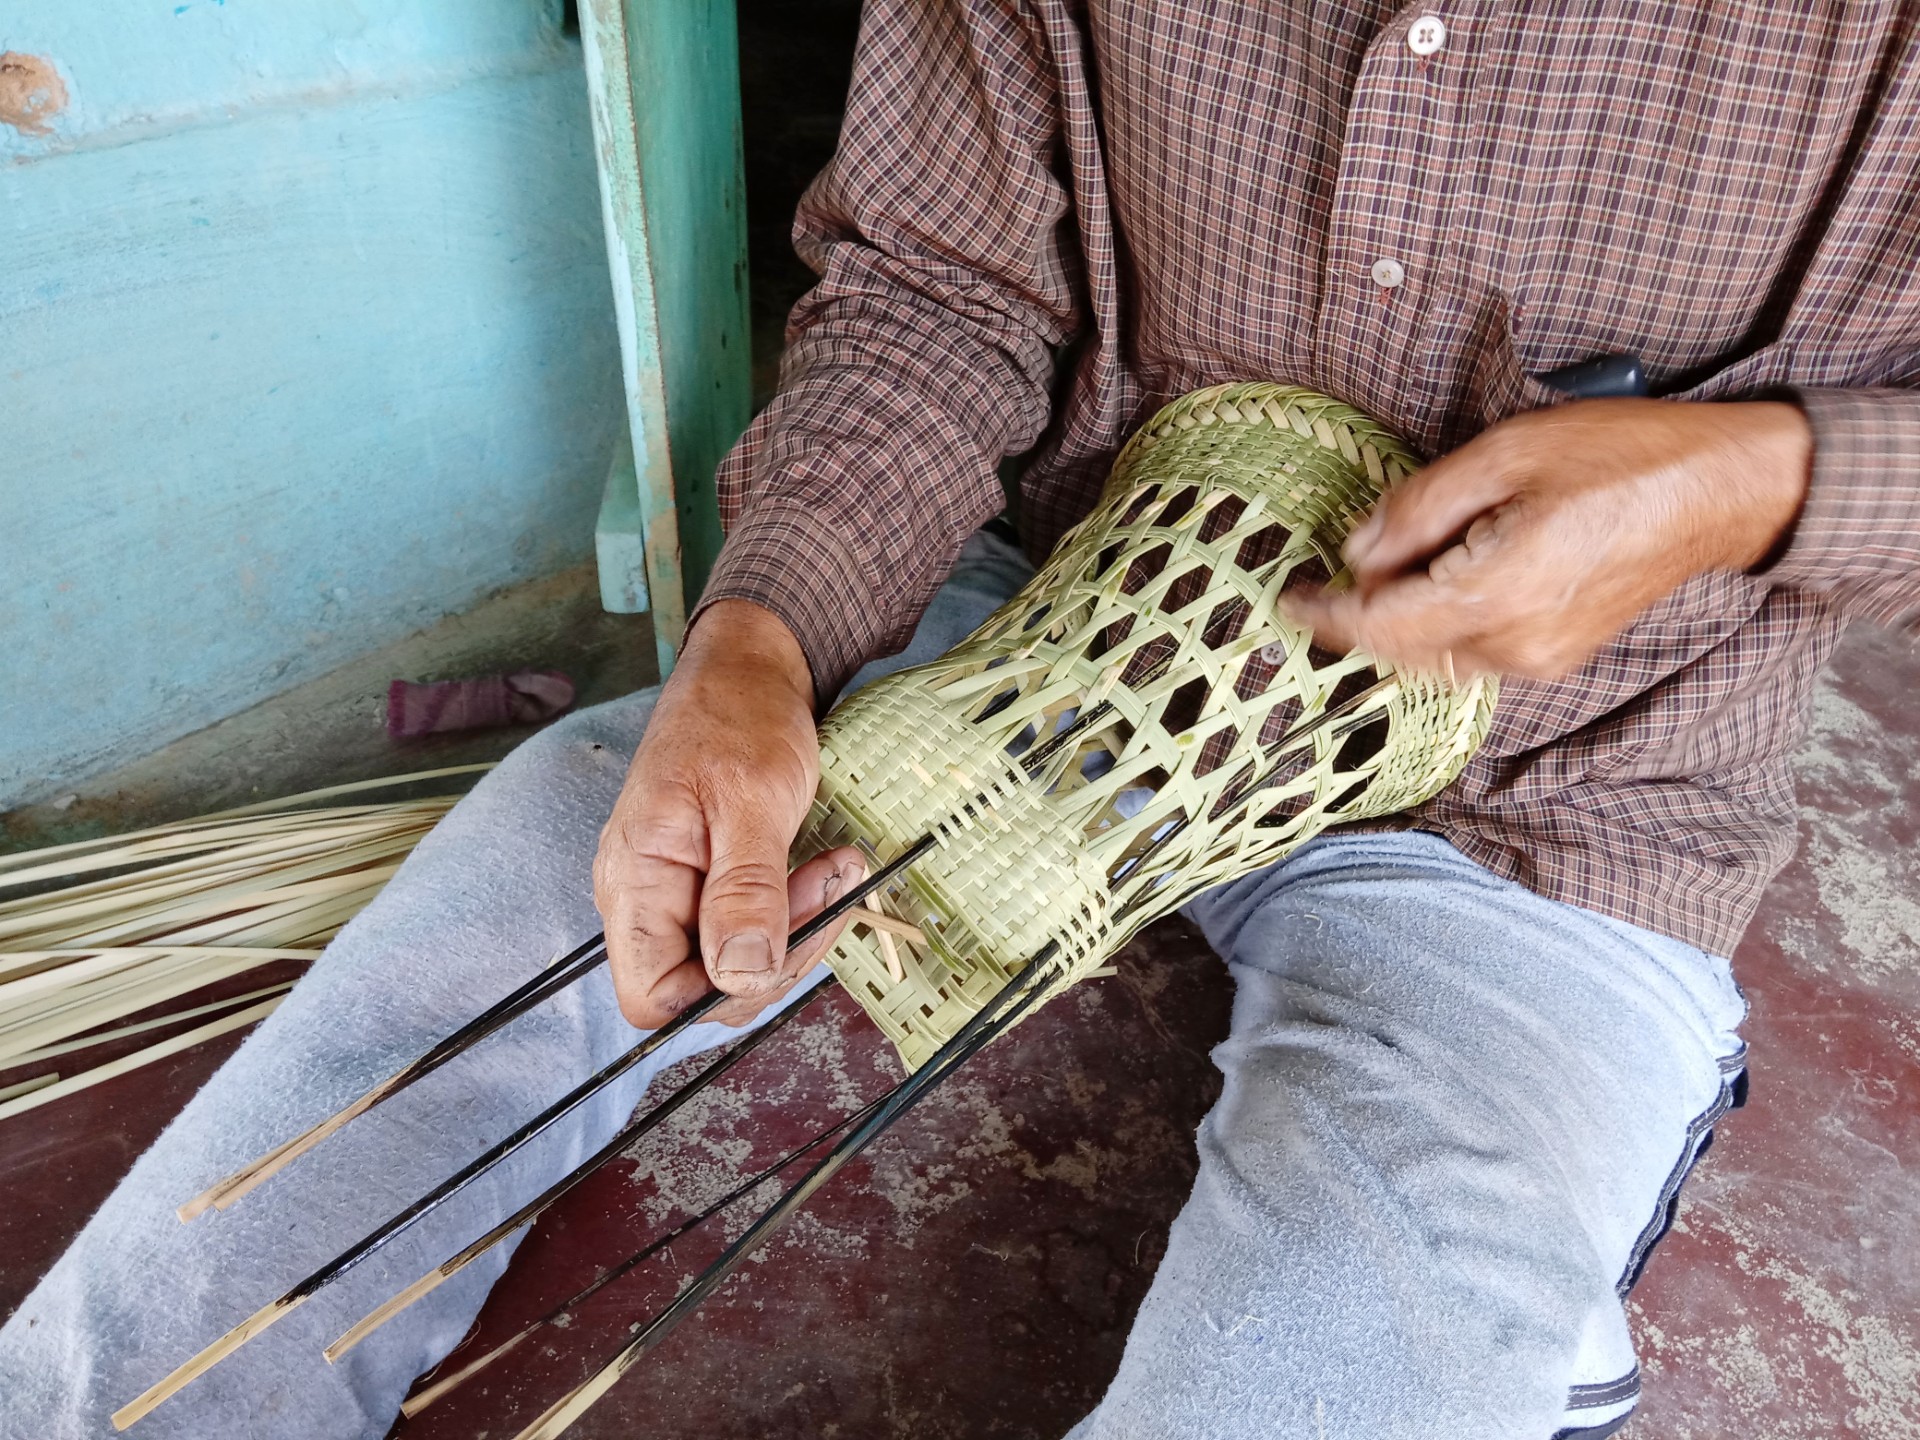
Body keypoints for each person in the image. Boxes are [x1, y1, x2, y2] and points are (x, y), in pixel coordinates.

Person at [4, 2, 1917, 1437]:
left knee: (1364, 1329)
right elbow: (941, 282)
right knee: (571, 880)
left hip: (1565, 781)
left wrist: (1744, 481)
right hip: (1056, 615)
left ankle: (1513, 1303)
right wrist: (763, 639)